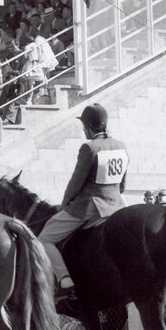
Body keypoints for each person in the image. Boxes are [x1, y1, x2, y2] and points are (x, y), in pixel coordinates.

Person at [38, 103, 129, 294]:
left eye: (83, 126)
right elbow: (122, 186)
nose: (83, 130)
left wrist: (65, 205)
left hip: (90, 207)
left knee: (44, 239)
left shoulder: (89, 148)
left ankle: (64, 280)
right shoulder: (121, 146)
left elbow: (75, 184)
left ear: (88, 126)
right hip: (117, 205)